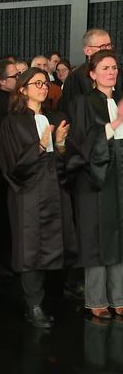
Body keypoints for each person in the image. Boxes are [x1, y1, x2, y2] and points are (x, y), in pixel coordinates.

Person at [0, 67, 75, 328]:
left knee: (54, 245)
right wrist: (41, 145)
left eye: (46, 83)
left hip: (55, 192)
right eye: (37, 83)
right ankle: (33, 305)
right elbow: (11, 166)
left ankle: (47, 298)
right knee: (30, 249)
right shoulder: (12, 122)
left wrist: (61, 145)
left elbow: (65, 163)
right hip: (28, 194)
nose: (44, 87)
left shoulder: (56, 116)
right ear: (23, 89)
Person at [67, 50, 123, 320]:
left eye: (114, 67)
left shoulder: (120, 100)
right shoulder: (83, 102)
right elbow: (81, 141)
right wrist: (115, 123)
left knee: (119, 233)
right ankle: (96, 299)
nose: (111, 72)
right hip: (94, 179)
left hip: (119, 177)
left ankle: (119, 297)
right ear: (92, 73)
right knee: (97, 237)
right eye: (105, 67)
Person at [59, 28, 121, 116]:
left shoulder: (118, 73)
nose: (107, 50)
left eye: (109, 45)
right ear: (87, 50)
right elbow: (71, 110)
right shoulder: (76, 77)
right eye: (102, 46)